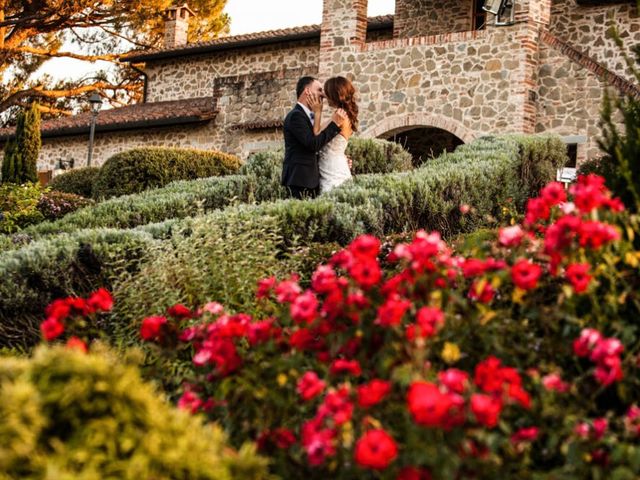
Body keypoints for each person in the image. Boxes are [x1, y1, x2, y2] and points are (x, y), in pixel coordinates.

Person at [282, 77, 348, 199]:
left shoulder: (307, 116)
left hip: (311, 180)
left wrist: (339, 158)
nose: (323, 94)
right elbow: (313, 144)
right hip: (299, 180)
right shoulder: (296, 116)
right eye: (319, 90)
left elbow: (313, 148)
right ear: (307, 91)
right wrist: (334, 125)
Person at [312, 76, 358, 193]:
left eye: (327, 92)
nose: (325, 95)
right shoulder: (346, 115)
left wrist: (318, 111)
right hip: (338, 164)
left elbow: (316, 134)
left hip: (332, 169)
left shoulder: (339, 116)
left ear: (334, 95)